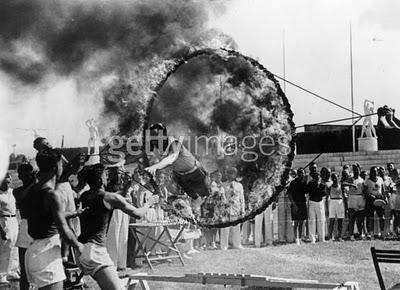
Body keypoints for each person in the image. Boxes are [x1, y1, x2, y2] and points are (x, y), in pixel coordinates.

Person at [77, 163, 158, 290]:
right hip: (95, 252)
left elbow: (117, 198)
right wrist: (149, 203)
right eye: (105, 175)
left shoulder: (85, 196)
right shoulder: (109, 197)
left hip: (82, 250)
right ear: (100, 179)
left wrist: (126, 186)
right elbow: (137, 214)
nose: (107, 178)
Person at [25, 149, 84, 290]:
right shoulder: (51, 195)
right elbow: (64, 230)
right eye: (61, 165)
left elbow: (46, 216)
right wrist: (79, 246)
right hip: (46, 253)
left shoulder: (32, 190)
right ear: (55, 167)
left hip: (35, 250)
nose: (62, 168)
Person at [144, 123, 209, 212]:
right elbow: (138, 154)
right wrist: (122, 162)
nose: (154, 138)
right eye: (152, 135)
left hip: (196, 172)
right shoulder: (153, 146)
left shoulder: (175, 143)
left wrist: (155, 166)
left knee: (207, 197)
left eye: (156, 135)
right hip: (181, 176)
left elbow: (171, 158)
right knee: (194, 200)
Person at [13, 164, 36, 290]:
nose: (29, 178)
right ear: (20, 176)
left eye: (30, 175)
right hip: (25, 227)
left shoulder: (37, 188)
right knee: (24, 268)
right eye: (25, 176)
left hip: (38, 226)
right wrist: (33, 182)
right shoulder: (18, 191)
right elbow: (21, 197)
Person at [106, 166, 132, 271]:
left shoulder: (122, 185)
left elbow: (127, 199)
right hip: (114, 212)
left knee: (123, 236)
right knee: (114, 237)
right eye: (116, 173)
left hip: (123, 212)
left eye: (120, 173)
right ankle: (112, 263)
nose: (119, 175)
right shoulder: (109, 186)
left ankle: (122, 264)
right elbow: (115, 198)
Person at [0, 173, 19, 284]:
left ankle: (12, 271)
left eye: (9, 178)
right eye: (6, 178)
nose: (9, 180)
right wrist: (1, 230)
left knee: (14, 246)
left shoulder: (12, 192)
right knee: (4, 247)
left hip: (14, 220)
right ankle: (2, 274)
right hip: (4, 221)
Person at [220, 167, 244, 250]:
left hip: (236, 209)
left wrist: (242, 210)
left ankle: (237, 244)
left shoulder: (239, 185)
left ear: (235, 175)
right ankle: (224, 245)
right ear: (226, 175)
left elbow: (242, 198)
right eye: (229, 173)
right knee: (225, 228)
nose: (230, 175)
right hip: (226, 209)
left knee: (236, 227)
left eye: (233, 173)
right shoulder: (223, 185)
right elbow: (222, 197)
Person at [287, 168, 308, 245]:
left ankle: (300, 238)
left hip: (303, 204)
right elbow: (289, 195)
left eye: (303, 173)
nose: (301, 175)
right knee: (296, 222)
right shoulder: (293, 183)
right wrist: (294, 205)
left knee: (302, 222)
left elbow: (306, 191)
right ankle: (296, 239)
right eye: (300, 173)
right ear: (297, 174)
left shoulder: (303, 183)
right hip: (295, 205)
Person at [364, 166, 385, 240]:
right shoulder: (367, 180)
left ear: (377, 172)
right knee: (370, 217)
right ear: (370, 172)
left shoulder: (380, 179)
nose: (374, 173)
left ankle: (382, 234)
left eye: (375, 171)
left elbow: (383, 190)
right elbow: (365, 191)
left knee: (381, 217)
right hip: (370, 200)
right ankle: (371, 234)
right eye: (372, 171)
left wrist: (384, 198)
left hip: (379, 199)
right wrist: (370, 195)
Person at [346, 164, 366, 241]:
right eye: (354, 170)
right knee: (352, 218)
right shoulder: (350, 179)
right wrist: (351, 184)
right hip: (352, 198)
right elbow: (343, 183)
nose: (356, 171)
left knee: (360, 218)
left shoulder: (362, 179)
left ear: (359, 170)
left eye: (357, 169)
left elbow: (364, 189)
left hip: (360, 198)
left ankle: (360, 234)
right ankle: (351, 235)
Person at [307, 172, 326, 243]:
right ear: (313, 178)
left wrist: (318, 188)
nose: (317, 179)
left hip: (320, 203)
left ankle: (322, 238)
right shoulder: (310, 184)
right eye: (316, 178)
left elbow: (323, 194)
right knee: (312, 221)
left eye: (318, 177)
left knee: (321, 220)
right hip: (312, 202)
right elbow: (308, 191)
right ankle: (312, 239)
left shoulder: (322, 185)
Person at [327, 173, 346, 241]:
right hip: (332, 202)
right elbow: (327, 197)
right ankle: (330, 237)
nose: (335, 179)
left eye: (336, 177)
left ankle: (340, 236)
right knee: (331, 220)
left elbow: (344, 196)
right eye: (333, 178)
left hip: (340, 202)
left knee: (340, 220)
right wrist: (327, 208)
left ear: (338, 178)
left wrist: (345, 207)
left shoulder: (341, 186)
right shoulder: (329, 187)